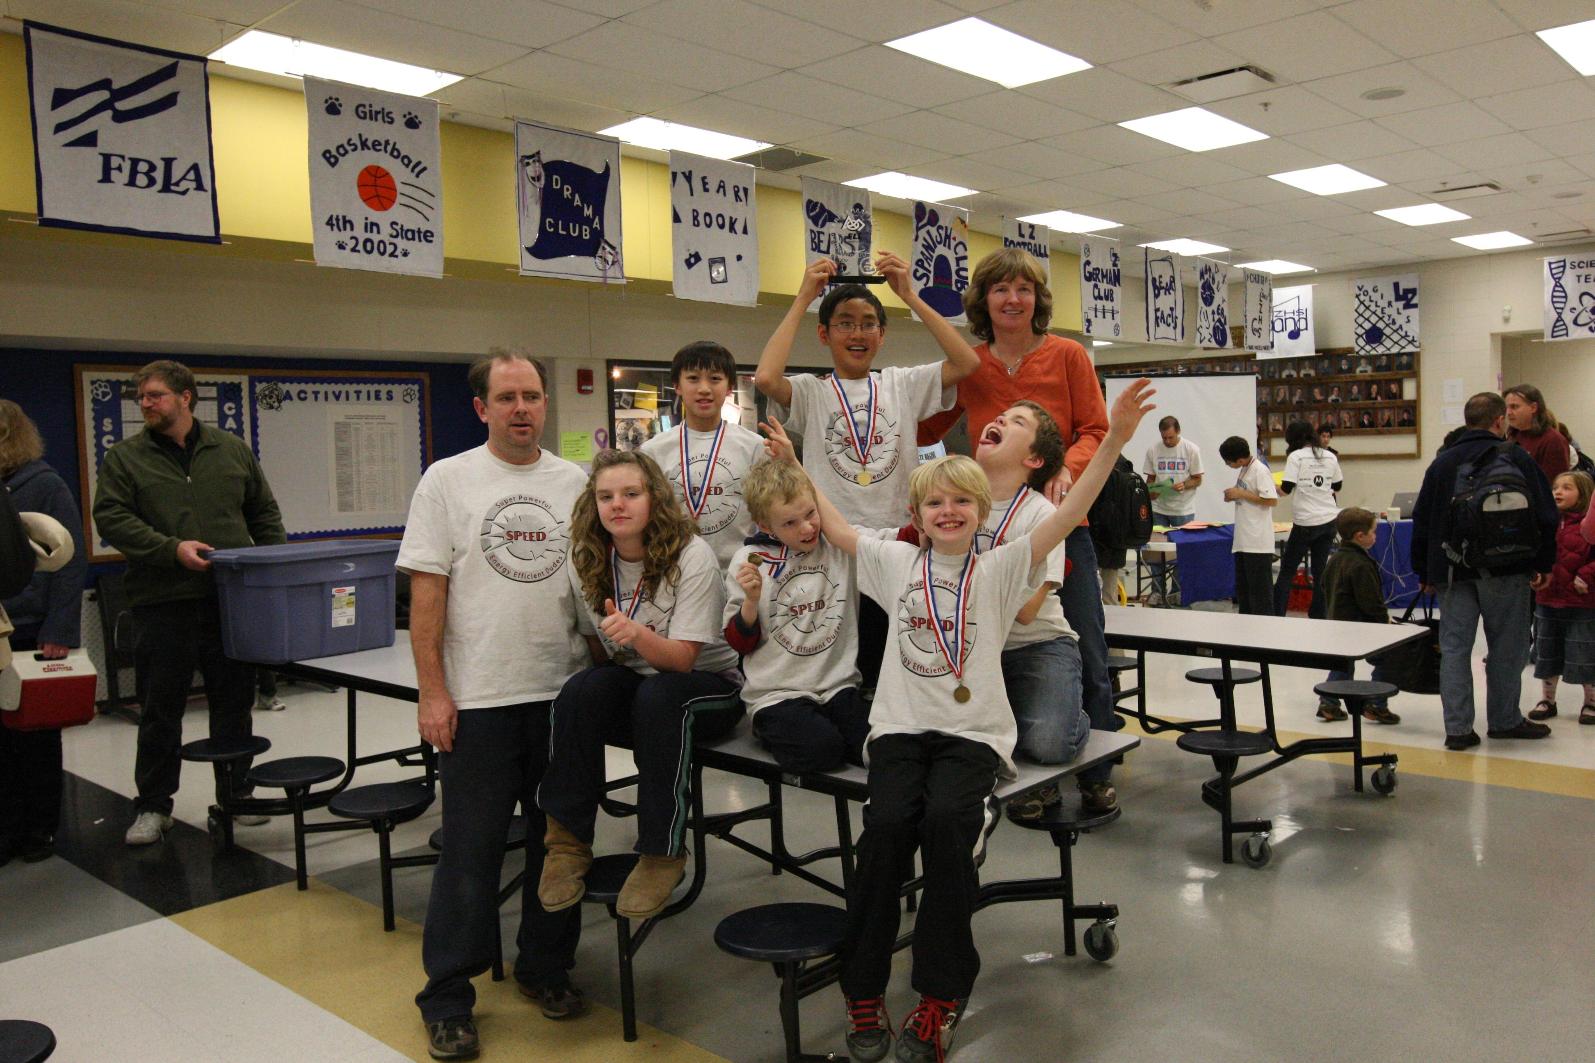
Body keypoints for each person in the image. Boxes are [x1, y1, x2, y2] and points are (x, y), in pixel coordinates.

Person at [770, 379, 1154, 1063]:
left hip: (972, 735)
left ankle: (939, 994)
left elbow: (1072, 514)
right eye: (934, 502)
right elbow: (838, 527)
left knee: (948, 825)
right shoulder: (894, 562)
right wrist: (798, 463)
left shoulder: (1003, 566)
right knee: (885, 831)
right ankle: (863, 986)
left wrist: (1116, 438)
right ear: (916, 514)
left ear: (981, 512)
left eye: (961, 502)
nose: (947, 511)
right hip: (898, 729)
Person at [399, 351, 590, 1061]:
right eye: (507, 397)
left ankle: (546, 967)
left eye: (532, 396)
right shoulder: (446, 480)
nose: (522, 409)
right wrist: (432, 690)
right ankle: (448, 996)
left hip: (562, 696)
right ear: (482, 408)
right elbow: (427, 594)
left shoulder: (574, 482)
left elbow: (592, 585)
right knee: (471, 853)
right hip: (479, 699)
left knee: (559, 847)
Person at [915, 247, 1119, 815]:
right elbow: (924, 425)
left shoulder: (1067, 354)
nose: (1013, 299)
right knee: (992, 649)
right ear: (983, 301)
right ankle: (1033, 772)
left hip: (1060, 523)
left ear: (1037, 299)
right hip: (990, 527)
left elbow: (1096, 428)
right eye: (1001, 289)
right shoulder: (970, 364)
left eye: (1024, 289)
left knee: (1087, 647)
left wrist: (1064, 468)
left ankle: (1098, 771)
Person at [754, 252, 978, 691]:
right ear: (824, 334)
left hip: (899, 544)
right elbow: (765, 379)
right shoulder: (812, 391)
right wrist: (802, 298)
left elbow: (966, 362)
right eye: (844, 323)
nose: (858, 333)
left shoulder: (900, 383)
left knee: (896, 656)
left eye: (868, 324)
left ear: (882, 334)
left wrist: (909, 295)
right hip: (833, 545)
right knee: (843, 663)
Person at [537, 450, 744, 922]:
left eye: (631, 493)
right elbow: (596, 643)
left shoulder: (691, 554)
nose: (618, 505)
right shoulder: (586, 555)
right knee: (580, 691)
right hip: (642, 685)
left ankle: (661, 851)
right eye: (606, 496)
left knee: (659, 696)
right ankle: (567, 844)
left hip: (709, 685)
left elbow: (682, 660)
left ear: (655, 498)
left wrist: (636, 634)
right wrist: (600, 695)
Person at [92, 360, 285, 847]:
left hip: (228, 600)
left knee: (233, 703)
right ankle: (153, 806)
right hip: (162, 602)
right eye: (141, 397)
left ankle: (237, 793)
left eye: (155, 395)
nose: (146, 403)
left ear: (185, 397)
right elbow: (112, 518)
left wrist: (275, 571)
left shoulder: (230, 450)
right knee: (160, 709)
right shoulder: (125, 458)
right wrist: (170, 549)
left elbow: (263, 513)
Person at [1411, 392, 1558, 751]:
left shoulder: (1443, 463)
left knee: (1455, 650)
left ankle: (1458, 729)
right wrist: (1543, 563)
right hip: (1508, 568)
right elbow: (1546, 513)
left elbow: (1422, 520)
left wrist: (1424, 572)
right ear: (1498, 421)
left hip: (1452, 571)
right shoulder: (1516, 457)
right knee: (1507, 648)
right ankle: (1505, 720)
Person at [971, 400, 1090, 820]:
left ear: (1034, 459)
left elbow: (1026, 610)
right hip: (973, 647)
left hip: (1035, 645)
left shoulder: (1041, 514)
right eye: (1000, 416)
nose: (999, 419)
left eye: (1016, 421)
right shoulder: (955, 498)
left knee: (1048, 743)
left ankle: (1071, 714)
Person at [723, 459, 870, 774]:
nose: (807, 528)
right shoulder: (749, 561)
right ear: (765, 526)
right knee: (823, 750)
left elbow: (894, 543)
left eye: (810, 514)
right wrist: (750, 602)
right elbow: (739, 644)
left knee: (878, 749)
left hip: (837, 687)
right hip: (777, 694)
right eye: (790, 523)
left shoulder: (838, 545)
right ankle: (768, 729)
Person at [0, 401, 87, 865]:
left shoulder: (44, 484)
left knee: (34, 736)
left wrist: (59, 630)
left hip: (32, 627)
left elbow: (69, 561)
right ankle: (7, 828)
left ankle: (39, 828)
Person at [640, 340, 765, 568]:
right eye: (693, 378)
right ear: (677, 386)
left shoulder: (755, 447)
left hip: (740, 573)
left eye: (715, 378)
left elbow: (771, 515)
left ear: (729, 387)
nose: (704, 388)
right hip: (677, 572)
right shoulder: (653, 452)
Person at [1315, 508, 1399, 724]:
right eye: (1373, 532)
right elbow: (1371, 602)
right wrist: (1385, 622)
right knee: (1386, 660)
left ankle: (1328, 702)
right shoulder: (1362, 564)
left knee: (1342, 663)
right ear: (1360, 536)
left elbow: (1323, 586)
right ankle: (1377, 704)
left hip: (1337, 622)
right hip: (1362, 626)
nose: (1375, 536)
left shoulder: (1334, 559)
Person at [1528, 471, 1595, 725]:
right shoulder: (1546, 523)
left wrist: (1586, 575)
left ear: (1584, 494)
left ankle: (1591, 701)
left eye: (1567, 488)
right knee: (1547, 651)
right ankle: (1548, 700)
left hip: (1582, 602)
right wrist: (1534, 573)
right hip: (1547, 599)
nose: (1558, 492)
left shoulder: (1590, 524)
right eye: (1556, 487)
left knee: (1585, 651)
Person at [1273, 420, 1342, 617]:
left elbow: (1285, 489)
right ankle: (1319, 615)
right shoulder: (1329, 455)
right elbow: (1337, 486)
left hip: (1305, 521)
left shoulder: (1296, 457)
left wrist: (1270, 485)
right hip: (1328, 519)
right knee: (1320, 571)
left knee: (1288, 570)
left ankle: (1277, 614)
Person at [1142, 414, 1203, 605]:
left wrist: (1184, 484)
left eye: (1171, 437)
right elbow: (1150, 480)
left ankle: (1177, 591)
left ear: (1178, 432)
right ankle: (1157, 591)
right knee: (1156, 552)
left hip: (1183, 509)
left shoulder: (1191, 449)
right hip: (1159, 508)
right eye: (1164, 438)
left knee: (1181, 552)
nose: (1167, 441)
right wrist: (1151, 491)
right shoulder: (1153, 449)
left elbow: (1198, 479)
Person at [1219, 435, 1277, 615]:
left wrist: (1241, 494)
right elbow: (1247, 494)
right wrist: (1234, 495)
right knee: (1244, 593)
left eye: (1228, 462)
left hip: (1257, 543)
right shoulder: (1245, 469)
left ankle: (1264, 628)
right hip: (1243, 541)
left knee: (1260, 595)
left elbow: (1271, 500)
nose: (1227, 465)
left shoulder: (1260, 470)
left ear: (1240, 459)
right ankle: (1245, 626)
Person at [1504, 383, 1569, 484]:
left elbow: (1554, 482)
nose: (1508, 413)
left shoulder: (1553, 440)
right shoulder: (1512, 436)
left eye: (1514, 407)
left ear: (1533, 408)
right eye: (1506, 408)